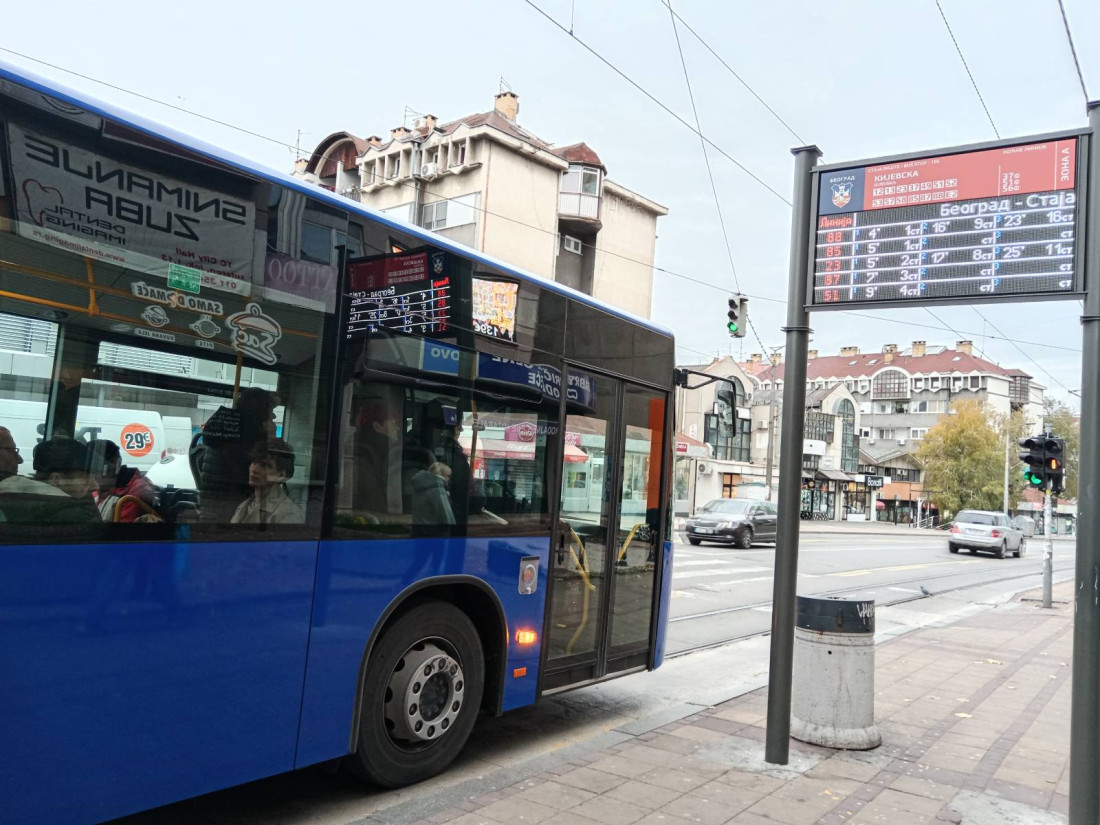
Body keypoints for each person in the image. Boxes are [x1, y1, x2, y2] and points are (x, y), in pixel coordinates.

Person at [196, 387, 277, 523]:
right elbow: (251, 473)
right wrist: (270, 438)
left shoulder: (227, 425)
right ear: (260, 410)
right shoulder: (248, 434)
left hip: (211, 501)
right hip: (231, 505)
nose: (273, 416)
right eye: (270, 410)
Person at [230, 438, 303, 525]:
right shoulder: (246, 505)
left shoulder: (289, 515)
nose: (254, 470)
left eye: (264, 465)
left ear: (281, 475)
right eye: (253, 462)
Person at [91, 440, 159, 522]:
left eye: (95, 469)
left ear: (114, 464)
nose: (91, 476)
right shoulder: (101, 488)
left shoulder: (134, 492)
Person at [411, 461, 455, 534]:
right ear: (441, 476)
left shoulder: (419, 486)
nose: (448, 479)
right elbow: (446, 517)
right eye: (447, 476)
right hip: (435, 532)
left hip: (418, 530)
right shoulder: (437, 490)